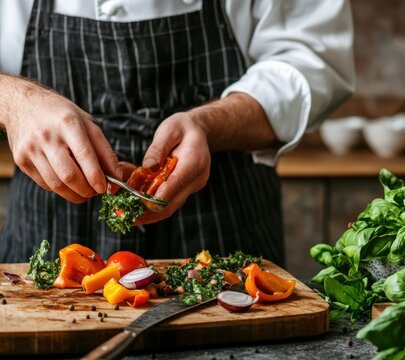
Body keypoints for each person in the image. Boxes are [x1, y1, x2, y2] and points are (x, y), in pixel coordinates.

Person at [0, 0, 355, 265]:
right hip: (47, 218)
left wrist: (209, 124)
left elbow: (314, 58)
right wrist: (14, 101)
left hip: (225, 220)